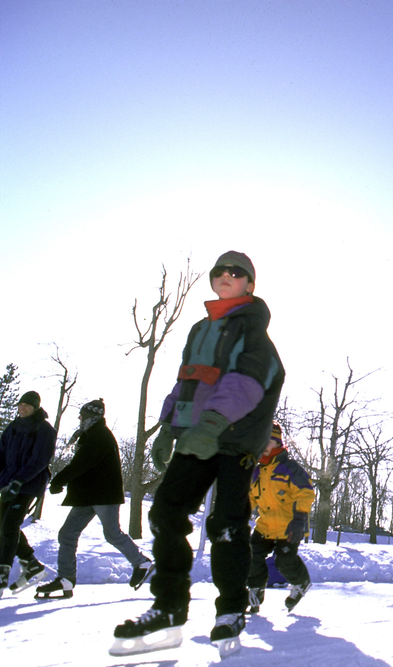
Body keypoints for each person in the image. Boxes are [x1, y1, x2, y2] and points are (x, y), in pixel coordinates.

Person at [112, 251, 284, 658]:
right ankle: (169, 608)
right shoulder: (200, 329)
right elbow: (187, 381)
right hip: (195, 436)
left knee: (226, 524)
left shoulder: (252, 327)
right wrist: (168, 426)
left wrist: (211, 424)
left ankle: (231, 611)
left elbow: (247, 382)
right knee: (165, 513)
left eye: (236, 272)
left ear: (249, 284)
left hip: (235, 437)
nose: (227, 275)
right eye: (220, 271)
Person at [36, 399, 153, 600]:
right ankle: (65, 579)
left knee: (112, 534)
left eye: (83, 415)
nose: (80, 418)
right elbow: (82, 465)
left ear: (92, 417)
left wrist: (59, 480)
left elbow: (81, 463)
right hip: (89, 496)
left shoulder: (100, 436)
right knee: (67, 534)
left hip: (104, 495)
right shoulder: (90, 435)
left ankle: (142, 563)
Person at [247, 422, 315, 614]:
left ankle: (301, 582)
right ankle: (256, 590)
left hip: (289, 526)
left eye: (267, 441)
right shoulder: (257, 472)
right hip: (265, 526)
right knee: (252, 555)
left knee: (284, 561)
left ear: (277, 443)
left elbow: (306, 492)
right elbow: (250, 497)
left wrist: (299, 518)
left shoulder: (289, 468)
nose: (263, 445)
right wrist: (239, 515)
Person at [0, 391, 55, 597]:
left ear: (35, 407)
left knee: (9, 525)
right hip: (9, 483)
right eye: (20, 404)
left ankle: (2, 572)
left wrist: (19, 480)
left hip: (29, 484)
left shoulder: (44, 429)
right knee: (3, 525)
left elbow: (40, 459)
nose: (22, 408)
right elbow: (1, 456)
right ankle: (32, 564)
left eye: (27, 405)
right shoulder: (13, 428)